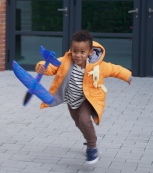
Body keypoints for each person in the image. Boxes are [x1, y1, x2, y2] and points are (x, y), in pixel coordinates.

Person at [35, 30, 132, 164]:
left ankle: (92, 147)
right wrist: (42, 67)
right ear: (71, 50)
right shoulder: (66, 61)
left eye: (82, 52)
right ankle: (89, 137)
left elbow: (114, 69)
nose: (78, 55)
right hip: (71, 99)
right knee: (79, 123)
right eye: (75, 51)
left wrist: (127, 75)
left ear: (90, 52)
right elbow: (51, 65)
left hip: (87, 99)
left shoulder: (98, 66)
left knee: (85, 119)